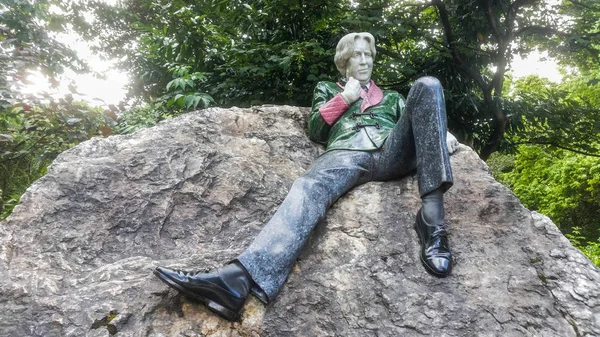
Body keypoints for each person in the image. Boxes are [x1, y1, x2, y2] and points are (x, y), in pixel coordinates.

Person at [154, 32, 458, 321]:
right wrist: (345, 98)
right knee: (308, 187)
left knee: (429, 84)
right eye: (356, 56)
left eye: (368, 55)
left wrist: (438, 132)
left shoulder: (392, 97)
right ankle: (237, 280)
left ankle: (433, 224)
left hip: (393, 151)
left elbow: (421, 115)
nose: (364, 61)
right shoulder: (328, 89)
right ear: (344, 63)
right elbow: (316, 129)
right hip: (346, 153)